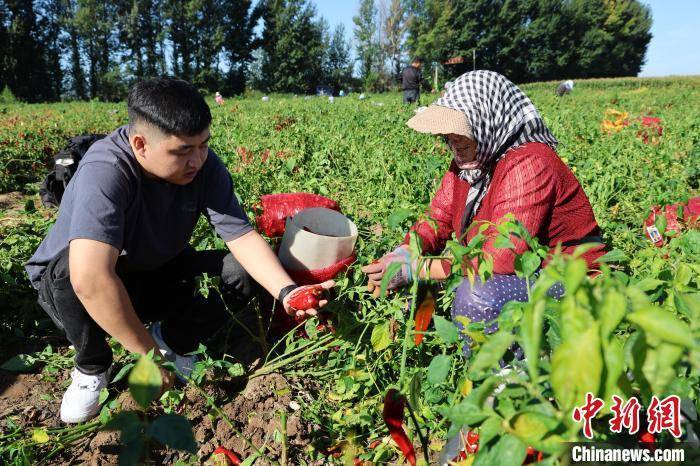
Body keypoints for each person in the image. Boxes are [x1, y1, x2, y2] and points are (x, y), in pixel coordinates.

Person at [25, 77, 334, 424]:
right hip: (76, 291)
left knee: (241, 270)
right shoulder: (107, 170)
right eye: (183, 150)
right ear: (140, 144)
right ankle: (92, 364)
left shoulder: (203, 166)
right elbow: (90, 279)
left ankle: (170, 338)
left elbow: (242, 236)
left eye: (203, 145)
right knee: (70, 269)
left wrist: (289, 292)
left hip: (152, 269)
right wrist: (150, 360)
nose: (197, 160)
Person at [361, 70, 604, 351]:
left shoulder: (530, 163)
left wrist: (418, 268)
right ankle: (424, 347)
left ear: (487, 119)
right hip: (523, 276)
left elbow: (499, 260)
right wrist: (406, 251)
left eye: (462, 132)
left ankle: (505, 384)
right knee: (430, 275)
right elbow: (436, 218)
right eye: (448, 136)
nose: (453, 142)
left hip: (573, 283)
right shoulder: (470, 163)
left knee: (475, 294)